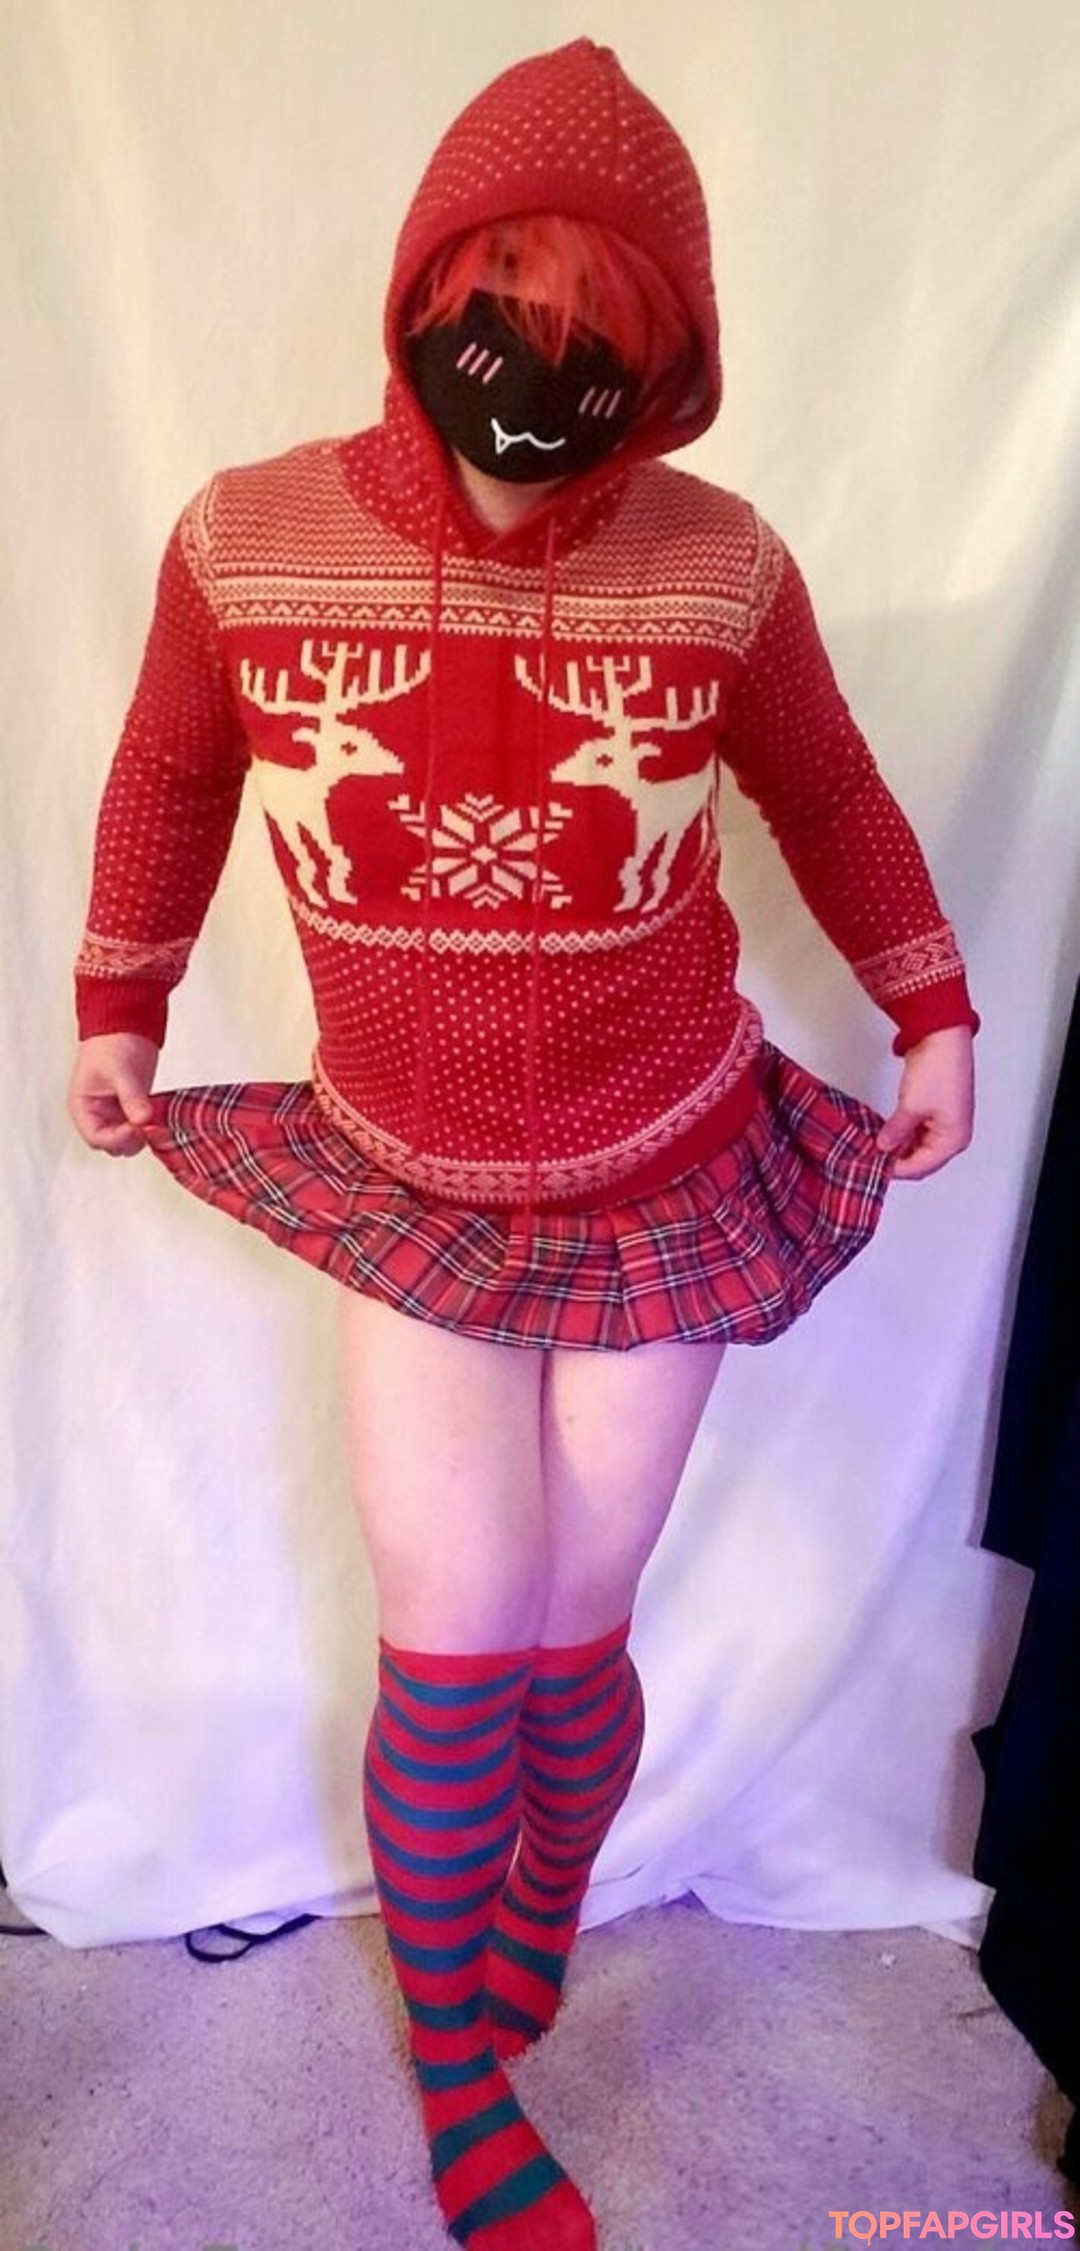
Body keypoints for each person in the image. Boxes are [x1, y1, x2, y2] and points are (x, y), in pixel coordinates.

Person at [67, 39, 978, 2251]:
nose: (530, 378)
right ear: (423, 295)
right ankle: (459, 2064)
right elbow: (175, 769)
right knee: (456, 1625)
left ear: (665, 366)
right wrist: (120, 998)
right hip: (409, 1172)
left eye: (593, 342)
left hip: (667, 1150)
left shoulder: (717, 565)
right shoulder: (249, 541)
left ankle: (546, 1889)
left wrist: (932, 1004)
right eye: (498, 318)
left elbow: (828, 789)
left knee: (577, 1621)